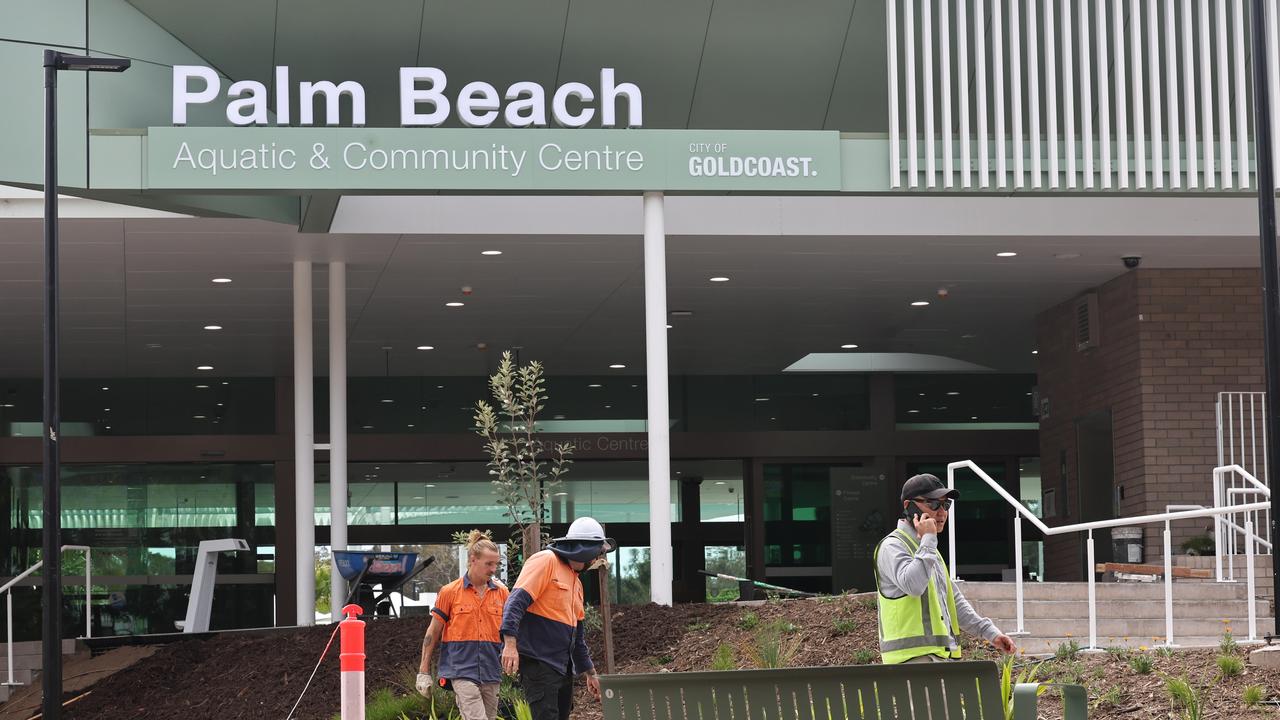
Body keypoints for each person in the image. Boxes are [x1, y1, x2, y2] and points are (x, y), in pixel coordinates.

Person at [874, 473, 1017, 664]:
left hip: (941, 659)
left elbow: (953, 600)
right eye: (933, 504)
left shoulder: (928, 549)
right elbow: (913, 586)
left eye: (946, 505)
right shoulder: (893, 546)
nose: (941, 512)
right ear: (909, 506)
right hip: (910, 662)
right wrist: (928, 540)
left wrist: (989, 633)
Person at [500, 517, 613, 720]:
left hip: (562, 667)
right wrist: (509, 644)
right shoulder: (546, 560)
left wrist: (590, 672)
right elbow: (514, 603)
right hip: (539, 662)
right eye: (596, 554)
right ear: (585, 550)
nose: (597, 560)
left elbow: (577, 639)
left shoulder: (576, 584)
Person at [417, 531, 510, 720]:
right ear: (473, 560)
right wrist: (423, 671)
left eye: (496, 564)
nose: (494, 569)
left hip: (491, 670)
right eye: (489, 564)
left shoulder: (502, 593)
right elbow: (433, 632)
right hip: (461, 669)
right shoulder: (449, 592)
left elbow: (510, 630)